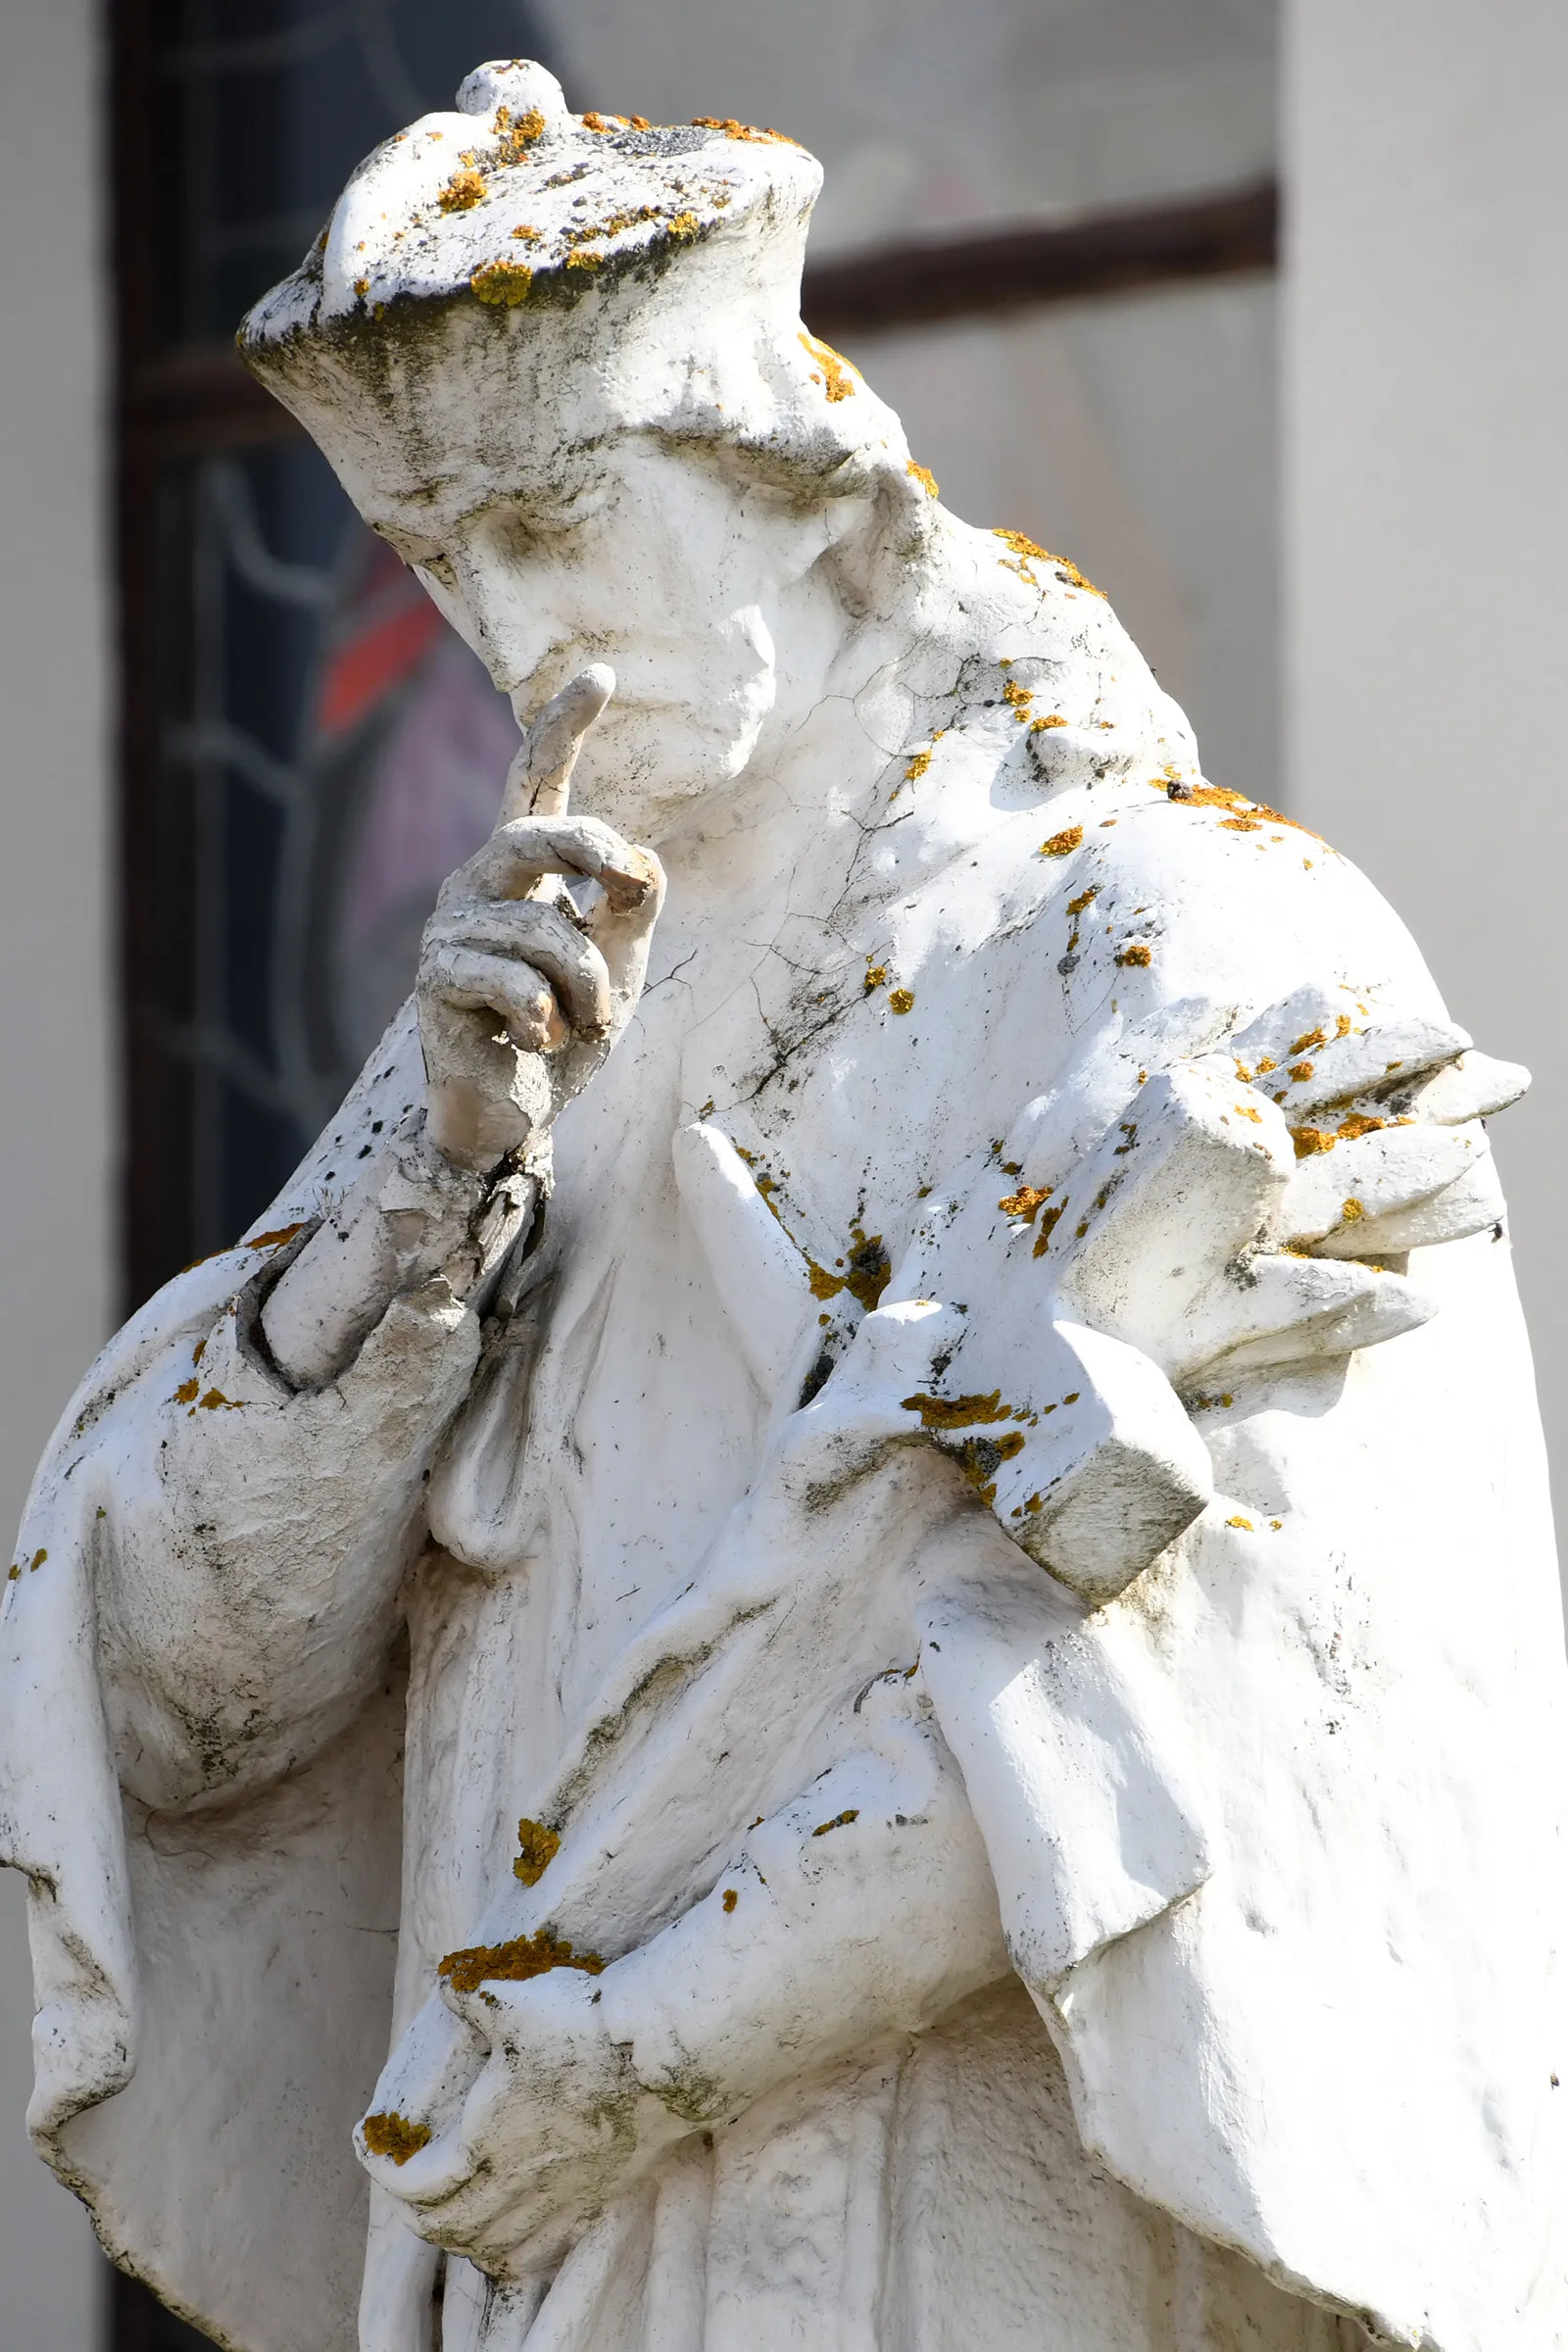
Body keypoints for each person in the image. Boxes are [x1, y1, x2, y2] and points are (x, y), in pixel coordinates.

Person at [3, 61, 1564, 2352]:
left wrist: (646, 2054)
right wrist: (415, 1207)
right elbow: (194, 1706)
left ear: (788, 475)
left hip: (960, 2207)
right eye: (438, 553)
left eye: (553, 517)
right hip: (535, 2243)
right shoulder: (507, 1035)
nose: (504, 620)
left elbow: (1223, 1679)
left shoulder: (1185, 951)